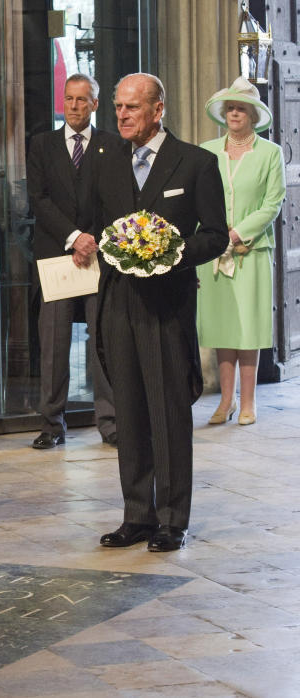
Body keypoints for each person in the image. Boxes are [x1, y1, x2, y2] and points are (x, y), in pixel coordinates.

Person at [95, 73, 227, 552]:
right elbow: (97, 224)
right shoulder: (105, 162)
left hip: (167, 305)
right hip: (118, 302)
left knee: (168, 413)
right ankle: (137, 515)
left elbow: (215, 234)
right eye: (118, 108)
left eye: (132, 107)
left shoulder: (195, 163)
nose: (122, 116)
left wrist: (169, 252)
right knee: (128, 410)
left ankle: (172, 519)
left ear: (158, 109)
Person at [27, 73, 118, 449]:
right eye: (70, 99)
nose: (76, 106)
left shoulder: (113, 147)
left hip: (100, 257)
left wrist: (91, 240)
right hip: (56, 257)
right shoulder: (42, 145)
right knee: (54, 344)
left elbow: (117, 198)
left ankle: (110, 423)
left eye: (83, 100)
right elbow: (39, 199)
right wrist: (73, 237)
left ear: (95, 104)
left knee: (104, 343)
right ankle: (51, 426)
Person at [197, 78, 286, 427]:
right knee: (221, 328)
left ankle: (248, 402)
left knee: (248, 327)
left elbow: (272, 203)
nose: (234, 113)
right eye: (230, 108)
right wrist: (213, 237)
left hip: (251, 251)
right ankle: (225, 401)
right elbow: (198, 199)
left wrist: (238, 233)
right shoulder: (206, 150)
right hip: (214, 253)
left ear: (253, 115)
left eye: (241, 108)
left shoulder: (270, 153)